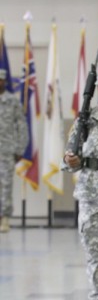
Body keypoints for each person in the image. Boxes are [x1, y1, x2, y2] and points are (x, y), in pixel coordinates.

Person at [62, 62, 98, 300]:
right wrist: (71, 160)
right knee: (94, 251)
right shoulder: (86, 119)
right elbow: (68, 156)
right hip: (89, 194)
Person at [0, 68, 28, 233]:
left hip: (7, 150)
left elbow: (21, 126)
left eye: (2, 80)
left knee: (6, 185)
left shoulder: (12, 101)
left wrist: (20, 149)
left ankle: (5, 218)